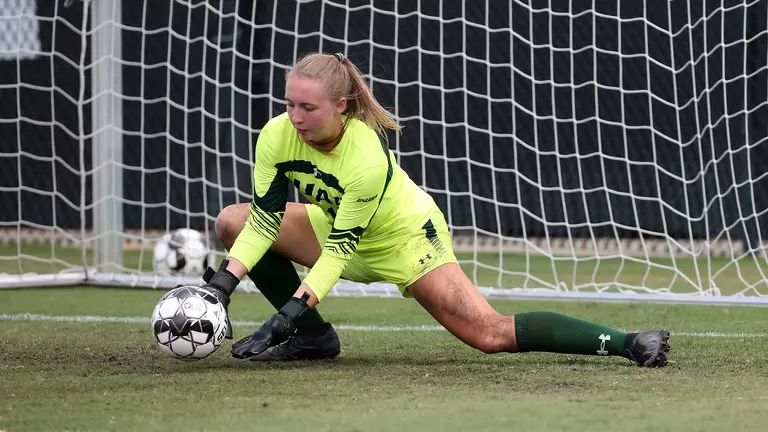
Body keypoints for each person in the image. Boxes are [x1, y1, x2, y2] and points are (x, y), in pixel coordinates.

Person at [201, 52, 671, 366]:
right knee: (233, 221)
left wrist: (286, 313)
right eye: (289, 104)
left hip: (404, 238)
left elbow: (341, 252)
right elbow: (264, 220)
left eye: (308, 107)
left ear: (342, 106)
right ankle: (315, 339)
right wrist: (223, 285)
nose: (295, 117)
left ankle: (629, 342)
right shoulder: (276, 134)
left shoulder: (366, 157)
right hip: (332, 225)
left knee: (489, 334)